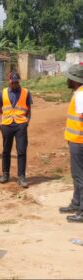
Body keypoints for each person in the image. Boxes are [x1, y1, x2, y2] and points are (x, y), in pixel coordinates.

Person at [0, 72, 32, 188]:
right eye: (13, 82)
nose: (15, 84)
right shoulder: (2, 93)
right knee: (6, 151)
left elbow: (29, 110)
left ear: (19, 81)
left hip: (20, 125)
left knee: (21, 151)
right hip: (6, 125)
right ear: (9, 81)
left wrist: (26, 122)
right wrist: (0, 125)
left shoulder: (26, 93)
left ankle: (21, 177)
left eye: (17, 82)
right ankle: (5, 174)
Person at [59, 64, 83, 222]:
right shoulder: (78, 93)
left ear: (74, 80)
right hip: (76, 140)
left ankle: (81, 211)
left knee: (80, 176)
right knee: (76, 176)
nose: (67, 80)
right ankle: (76, 203)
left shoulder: (81, 95)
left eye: (69, 77)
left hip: (79, 141)